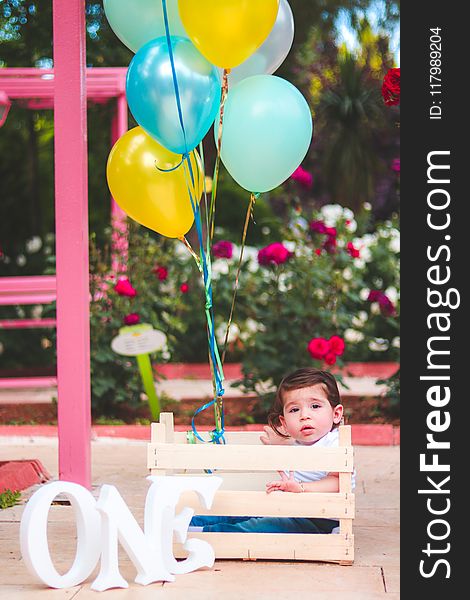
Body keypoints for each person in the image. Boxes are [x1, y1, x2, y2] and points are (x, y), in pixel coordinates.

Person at [189, 367, 353, 534]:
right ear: (284, 421)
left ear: (336, 414)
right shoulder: (297, 443)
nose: (304, 415)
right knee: (240, 510)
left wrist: (301, 488)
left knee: (257, 527)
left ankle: (202, 533)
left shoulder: (336, 443)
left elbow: (339, 482)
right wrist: (282, 443)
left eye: (315, 406)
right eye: (294, 410)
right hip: (289, 509)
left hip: (319, 519)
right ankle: (188, 522)